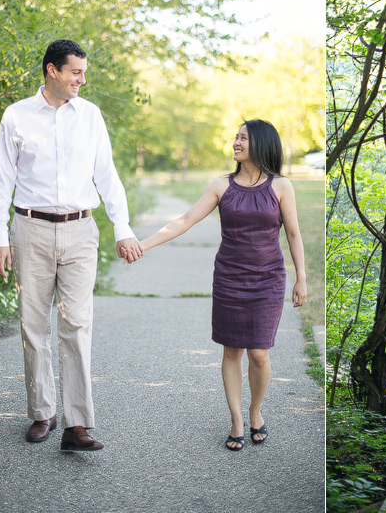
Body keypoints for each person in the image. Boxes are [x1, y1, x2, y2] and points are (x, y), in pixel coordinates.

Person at [0, 39, 143, 451]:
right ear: (52, 70)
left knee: (76, 323)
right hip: (30, 229)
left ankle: (77, 424)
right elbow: (1, 180)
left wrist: (122, 227)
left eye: (83, 73)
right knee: (32, 325)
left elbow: (107, 175)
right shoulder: (16, 116)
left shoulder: (90, 115)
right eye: (75, 72)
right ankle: (43, 412)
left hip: (80, 231)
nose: (82, 79)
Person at [130, 119, 307, 451]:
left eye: (243, 138)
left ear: (261, 143)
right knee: (232, 350)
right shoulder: (220, 186)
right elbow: (184, 221)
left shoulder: (281, 186)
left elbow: (294, 234)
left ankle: (256, 410)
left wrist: (301, 278)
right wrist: (143, 244)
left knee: (259, 354)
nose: (236, 142)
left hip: (268, 279)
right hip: (229, 278)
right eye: (236, 137)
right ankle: (237, 419)